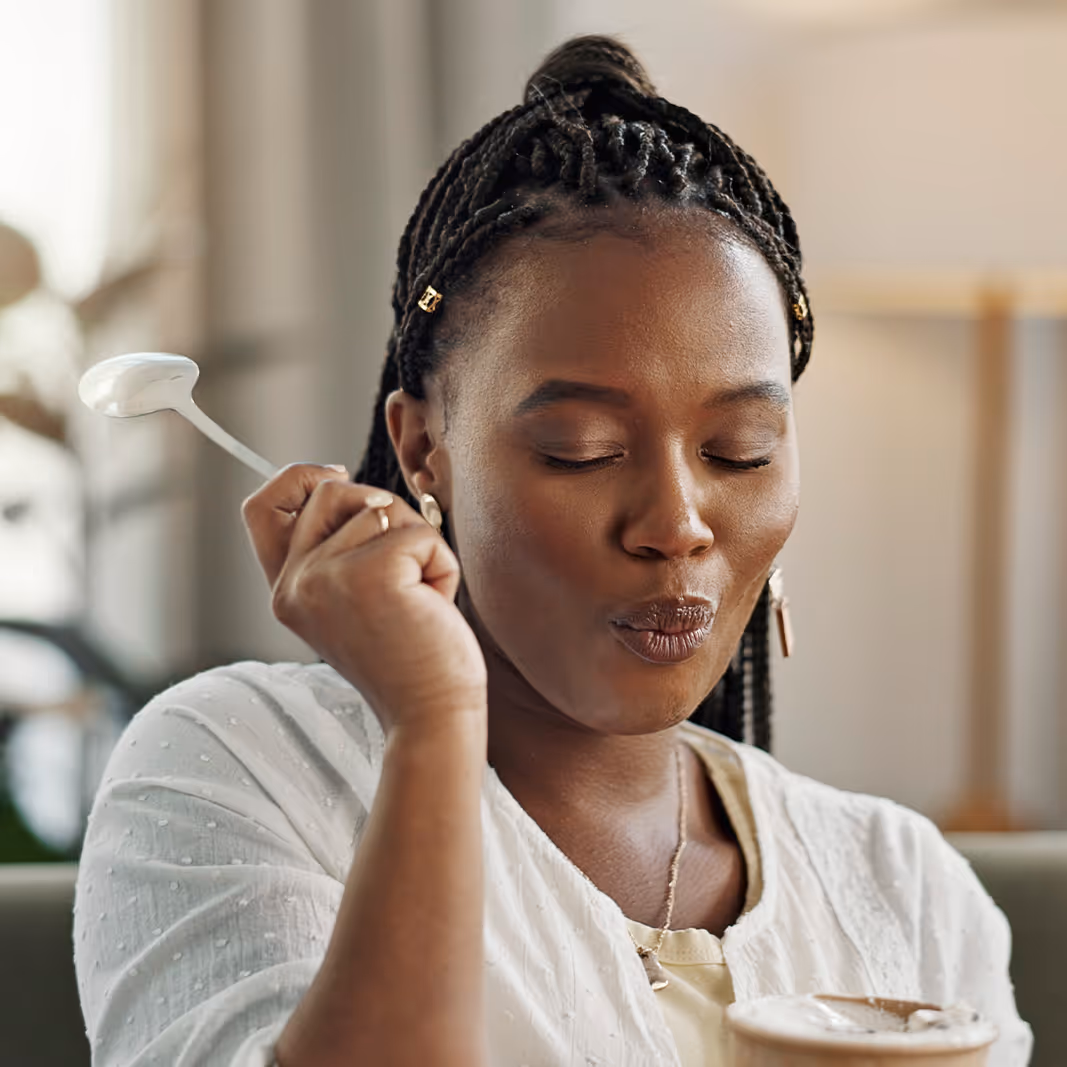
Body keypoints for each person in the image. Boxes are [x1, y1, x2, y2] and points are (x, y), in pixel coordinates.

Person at [73, 35, 1032, 1067]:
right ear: (420, 449)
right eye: (582, 450)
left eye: (736, 451)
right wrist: (435, 721)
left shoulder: (900, 883)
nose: (675, 522)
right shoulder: (237, 771)